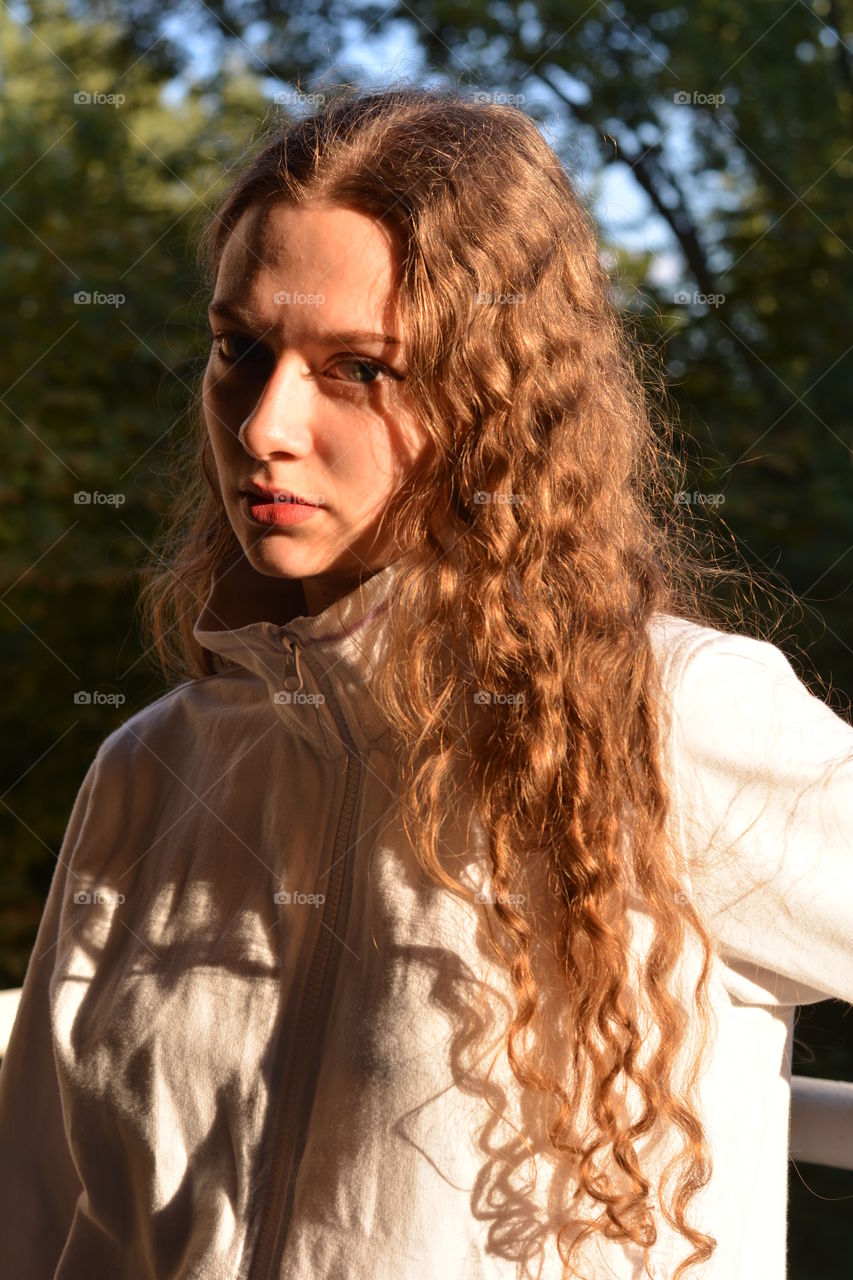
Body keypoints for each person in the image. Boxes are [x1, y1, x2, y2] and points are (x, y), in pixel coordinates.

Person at [1, 83, 851, 1280]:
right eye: (239, 348)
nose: (262, 425)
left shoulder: (670, 720)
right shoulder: (152, 768)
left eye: (357, 367)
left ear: (495, 401)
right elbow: (40, 1218)